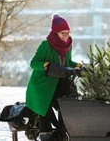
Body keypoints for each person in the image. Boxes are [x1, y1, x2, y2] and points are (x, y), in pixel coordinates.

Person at [25, 13, 81, 141]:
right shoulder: (46, 45)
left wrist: (77, 65)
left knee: (67, 100)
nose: (66, 36)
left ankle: (62, 129)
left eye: (68, 33)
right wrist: (46, 65)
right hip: (42, 84)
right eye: (63, 33)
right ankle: (45, 135)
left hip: (58, 81)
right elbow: (33, 63)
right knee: (44, 108)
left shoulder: (68, 46)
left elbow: (67, 63)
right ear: (55, 33)